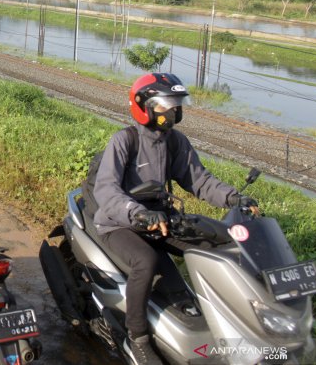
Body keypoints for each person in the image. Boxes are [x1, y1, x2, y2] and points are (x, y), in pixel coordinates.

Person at [92, 72, 260, 365]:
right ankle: (137, 338)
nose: (173, 111)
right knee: (145, 261)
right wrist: (138, 213)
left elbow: (199, 180)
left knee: (212, 247)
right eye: (166, 105)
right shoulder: (124, 140)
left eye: (176, 105)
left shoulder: (175, 142)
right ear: (145, 106)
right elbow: (106, 189)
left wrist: (234, 197)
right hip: (119, 222)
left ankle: (227, 320)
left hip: (161, 218)